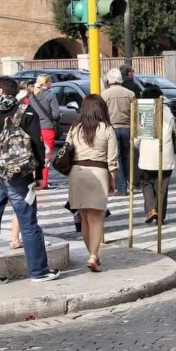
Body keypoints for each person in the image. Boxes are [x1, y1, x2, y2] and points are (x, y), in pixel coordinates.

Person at [0, 76, 58, 285]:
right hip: (19, 177)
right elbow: (38, 147)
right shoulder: (27, 112)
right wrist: (39, 175)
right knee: (28, 222)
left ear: (2, 91)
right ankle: (39, 271)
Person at [66, 94, 118, 272]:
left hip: (77, 173)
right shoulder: (106, 129)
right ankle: (93, 256)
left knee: (84, 218)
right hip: (98, 173)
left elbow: (67, 151)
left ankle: (92, 254)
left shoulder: (75, 128)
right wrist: (113, 181)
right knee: (96, 218)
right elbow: (112, 160)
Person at [136, 86, 176, 224]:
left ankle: (151, 209)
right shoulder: (167, 112)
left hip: (147, 156)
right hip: (165, 157)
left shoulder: (144, 113)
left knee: (146, 183)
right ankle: (160, 217)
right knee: (162, 187)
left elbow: (136, 139)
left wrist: (139, 146)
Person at [101, 68, 136, 193]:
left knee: (117, 158)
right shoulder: (130, 93)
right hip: (128, 128)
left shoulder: (104, 95)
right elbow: (135, 113)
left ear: (109, 80)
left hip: (112, 129)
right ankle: (130, 183)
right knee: (127, 157)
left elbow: (102, 114)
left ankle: (121, 187)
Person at [27, 75, 60, 189]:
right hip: (47, 128)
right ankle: (43, 182)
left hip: (33, 128)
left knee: (34, 154)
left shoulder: (32, 96)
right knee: (46, 157)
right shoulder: (50, 95)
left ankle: (34, 180)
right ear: (46, 82)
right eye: (50, 81)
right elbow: (56, 114)